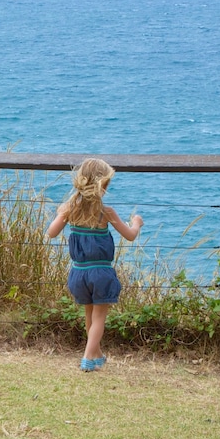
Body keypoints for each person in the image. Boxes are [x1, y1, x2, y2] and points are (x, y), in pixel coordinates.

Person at [46, 158, 143, 372]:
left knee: (89, 315)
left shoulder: (70, 209)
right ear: (104, 185)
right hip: (101, 272)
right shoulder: (106, 212)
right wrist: (136, 223)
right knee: (99, 317)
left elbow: (51, 232)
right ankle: (88, 357)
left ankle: (97, 355)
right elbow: (130, 236)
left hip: (78, 273)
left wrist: (62, 213)